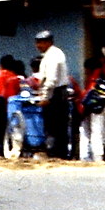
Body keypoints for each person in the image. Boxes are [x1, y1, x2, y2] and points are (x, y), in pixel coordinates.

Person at [33, 30, 71, 159]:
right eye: (37, 42)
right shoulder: (50, 54)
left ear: (49, 42)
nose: (38, 46)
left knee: (55, 125)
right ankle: (58, 153)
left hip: (56, 93)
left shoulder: (53, 56)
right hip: (55, 92)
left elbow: (51, 80)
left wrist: (45, 97)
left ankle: (57, 154)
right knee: (56, 126)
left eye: (41, 43)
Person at [77, 55, 105, 162]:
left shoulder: (95, 77)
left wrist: (82, 107)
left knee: (97, 133)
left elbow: (89, 94)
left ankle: (98, 157)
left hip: (98, 107)